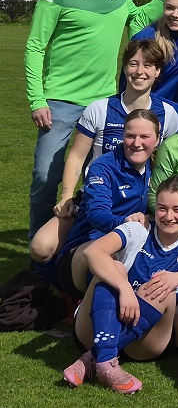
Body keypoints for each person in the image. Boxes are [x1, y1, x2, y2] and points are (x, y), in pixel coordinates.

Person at [62, 174, 178, 394]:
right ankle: (106, 357)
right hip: (95, 328)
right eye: (162, 208)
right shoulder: (139, 229)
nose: (169, 216)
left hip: (143, 342)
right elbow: (93, 251)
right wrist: (124, 287)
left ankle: (94, 358)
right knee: (114, 268)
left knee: (165, 287)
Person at [24, 0, 137, 238]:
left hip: (104, 103)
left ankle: (80, 246)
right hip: (58, 103)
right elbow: (35, 46)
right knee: (46, 179)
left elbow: (136, 20)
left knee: (97, 178)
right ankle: (39, 258)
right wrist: (38, 99)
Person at [51, 39, 178, 224]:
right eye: (133, 64)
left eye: (147, 65)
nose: (139, 71)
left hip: (143, 202)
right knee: (41, 246)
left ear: (158, 71)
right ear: (124, 68)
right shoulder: (99, 109)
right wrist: (66, 196)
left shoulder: (169, 114)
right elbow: (77, 156)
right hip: (99, 194)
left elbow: (169, 161)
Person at [31, 110, 159, 299]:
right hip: (86, 246)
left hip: (128, 240)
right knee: (111, 263)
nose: (137, 143)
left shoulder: (159, 167)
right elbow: (97, 214)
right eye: (130, 136)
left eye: (145, 137)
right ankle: (70, 300)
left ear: (157, 140)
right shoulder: (103, 166)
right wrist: (126, 222)